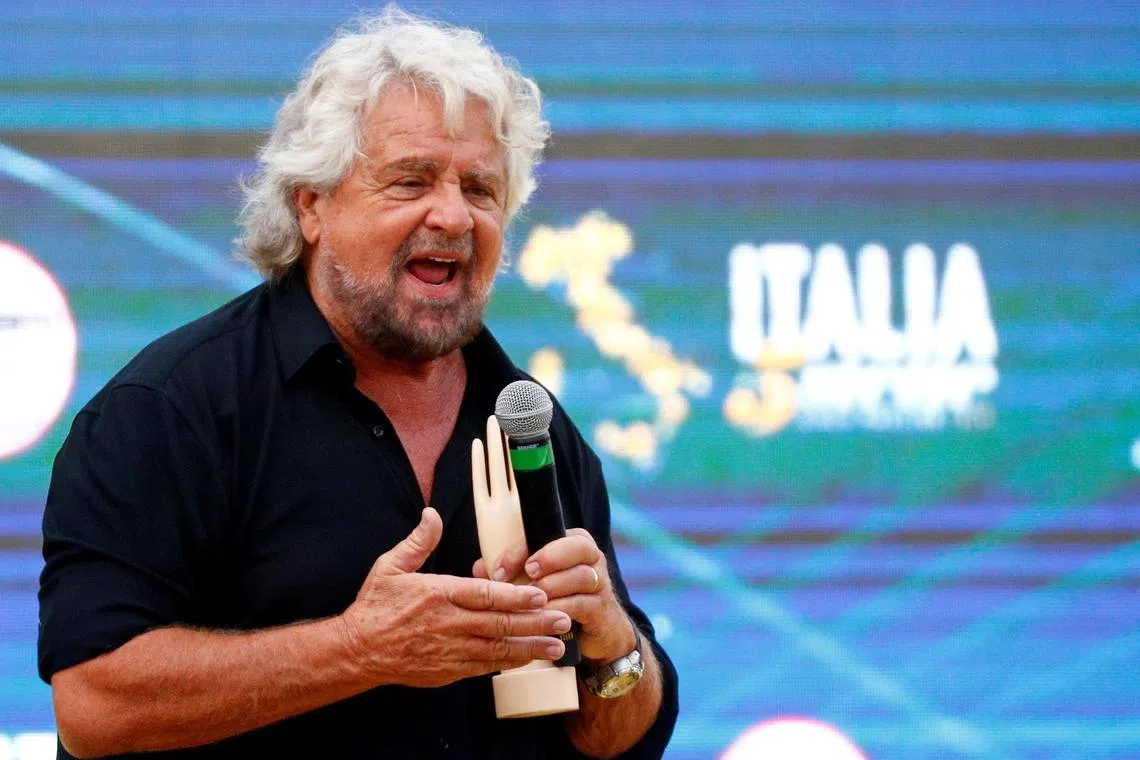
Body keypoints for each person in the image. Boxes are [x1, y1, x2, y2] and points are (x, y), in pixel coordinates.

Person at [37, 7, 678, 760]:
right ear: (312, 204)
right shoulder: (170, 412)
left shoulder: (528, 423)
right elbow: (94, 706)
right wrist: (356, 650)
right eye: (411, 181)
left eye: (480, 189)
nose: (453, 214)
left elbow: (618, 740)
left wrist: (613, 645)